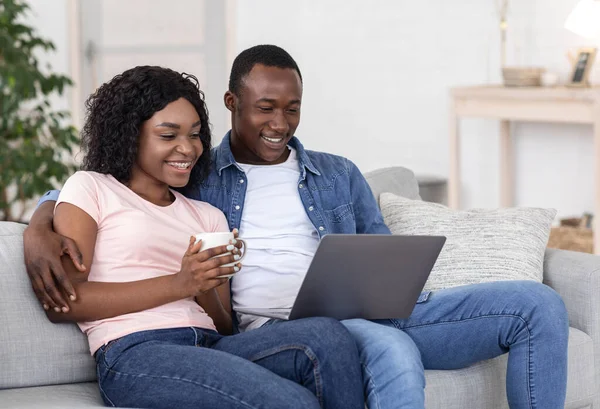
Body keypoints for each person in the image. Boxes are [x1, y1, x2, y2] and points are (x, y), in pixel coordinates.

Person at [25, 46, 569, 409]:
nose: (279, 123)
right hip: (171, 345)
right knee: (346, 367)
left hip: (292, 327)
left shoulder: (258, 196)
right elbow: (95, 203)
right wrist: (37, 222)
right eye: (264, 107)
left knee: (534, 304)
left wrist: (211, 284)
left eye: (292, 108)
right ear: (233, 105)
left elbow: (219, 318)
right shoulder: (191, 180)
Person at [26, 65, 365, 409]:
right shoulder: (92, 188)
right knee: (292, 402)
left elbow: (223, 324)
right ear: (130, 135)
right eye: (168, 135)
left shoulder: (206, 215)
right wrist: (181, 283)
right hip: (137, 352)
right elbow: (65, 303)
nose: (187, 148)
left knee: (327, 335)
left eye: (194, 134)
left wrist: (204, 285)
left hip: (210, 344)